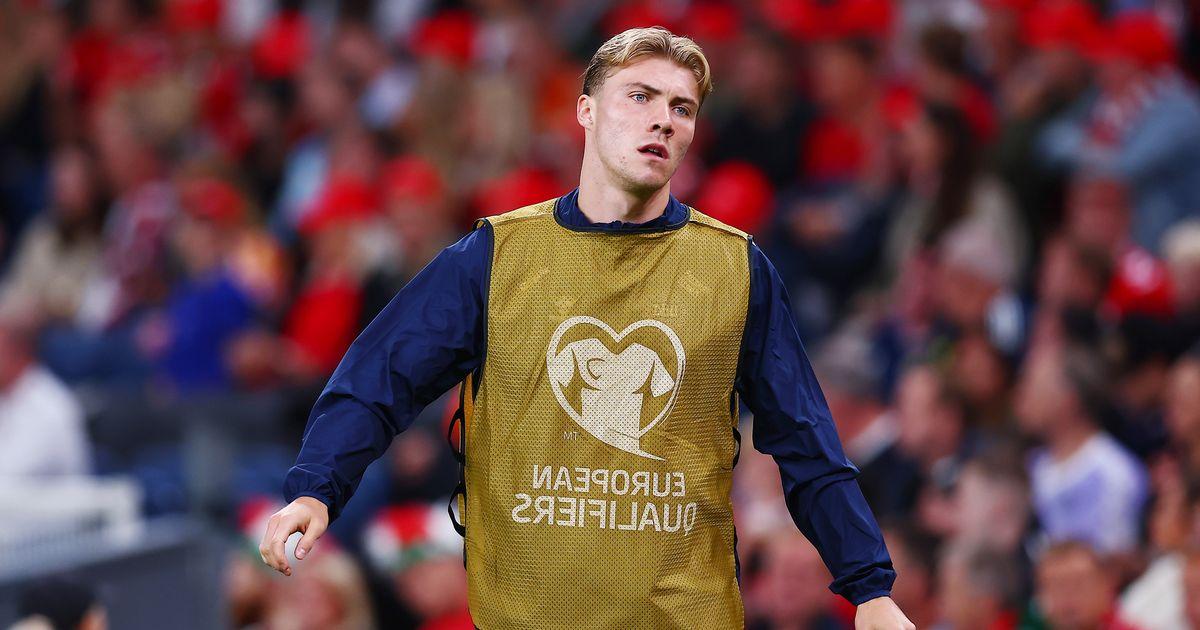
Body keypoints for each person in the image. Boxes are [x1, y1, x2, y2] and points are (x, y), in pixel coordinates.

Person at [260, 27, 912, 629]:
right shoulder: (494, 257)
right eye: (640, 96)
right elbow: (379, 377)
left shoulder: (736, 269)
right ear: (586, 111)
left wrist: (869, 588)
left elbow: (806, 441)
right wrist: (316, 488)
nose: (664, 118)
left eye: (682, 108)